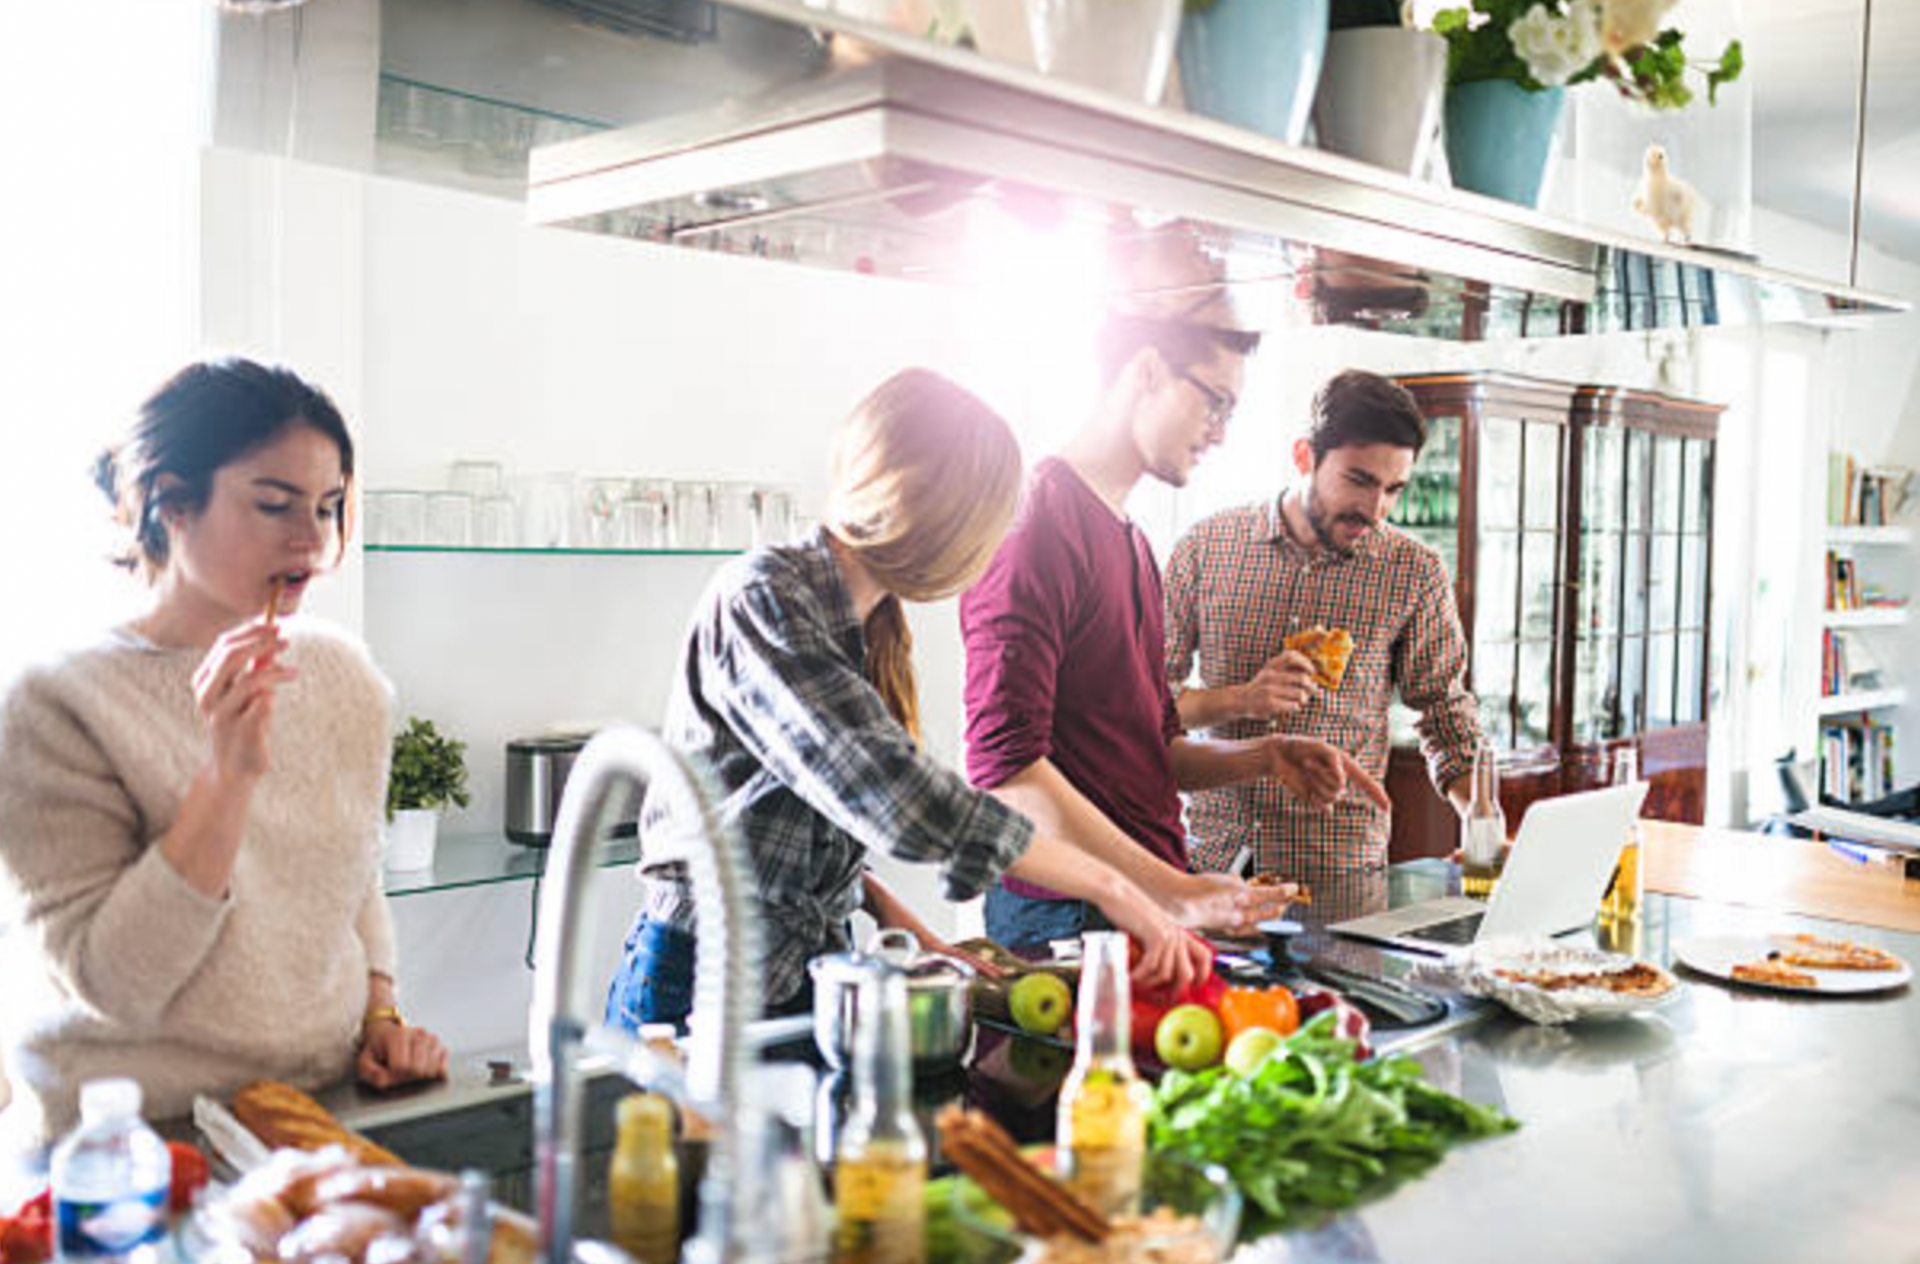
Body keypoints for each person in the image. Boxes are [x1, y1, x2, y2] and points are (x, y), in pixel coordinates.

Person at [605, 368, 1216, 1033]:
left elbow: (789, 822)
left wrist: (902, 920)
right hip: (699, 980)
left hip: (793, 973)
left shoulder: (860, 621)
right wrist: (1114, 886)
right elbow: (897, 796)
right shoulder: (765, 598)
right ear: (936, 514)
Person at [0, 358, 448, 1150]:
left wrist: (381, 1010)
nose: (311, 537)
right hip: (126, 1143)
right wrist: (225, 778)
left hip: (314, 1110)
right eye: (274, 504)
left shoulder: (344, 677)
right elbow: (116, 985)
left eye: (329, 505)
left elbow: (351, 876)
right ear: (169, 502)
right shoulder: (54, 704)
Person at [960, 234, 1389, 952]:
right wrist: (1179, 891)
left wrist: (1265, 755)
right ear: (1149, 372)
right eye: (1215, 401)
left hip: (1143, 900)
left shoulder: (1129, 537)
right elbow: (1007, 775)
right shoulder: (1034, 526)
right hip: (1069, 917)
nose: (1220, 431)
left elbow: (1145, 748)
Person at [1165, 369, 1483, 877]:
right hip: (1212, 864)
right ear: (1304, 456)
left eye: (1393, 490)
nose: (1375, 510)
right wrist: (1242, 698)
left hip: (1341, 873)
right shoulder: (1205, 549)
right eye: (1358, 481)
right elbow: (1148, 707)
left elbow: (1446, 714)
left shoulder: (1414, 572)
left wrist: (1482, 816)